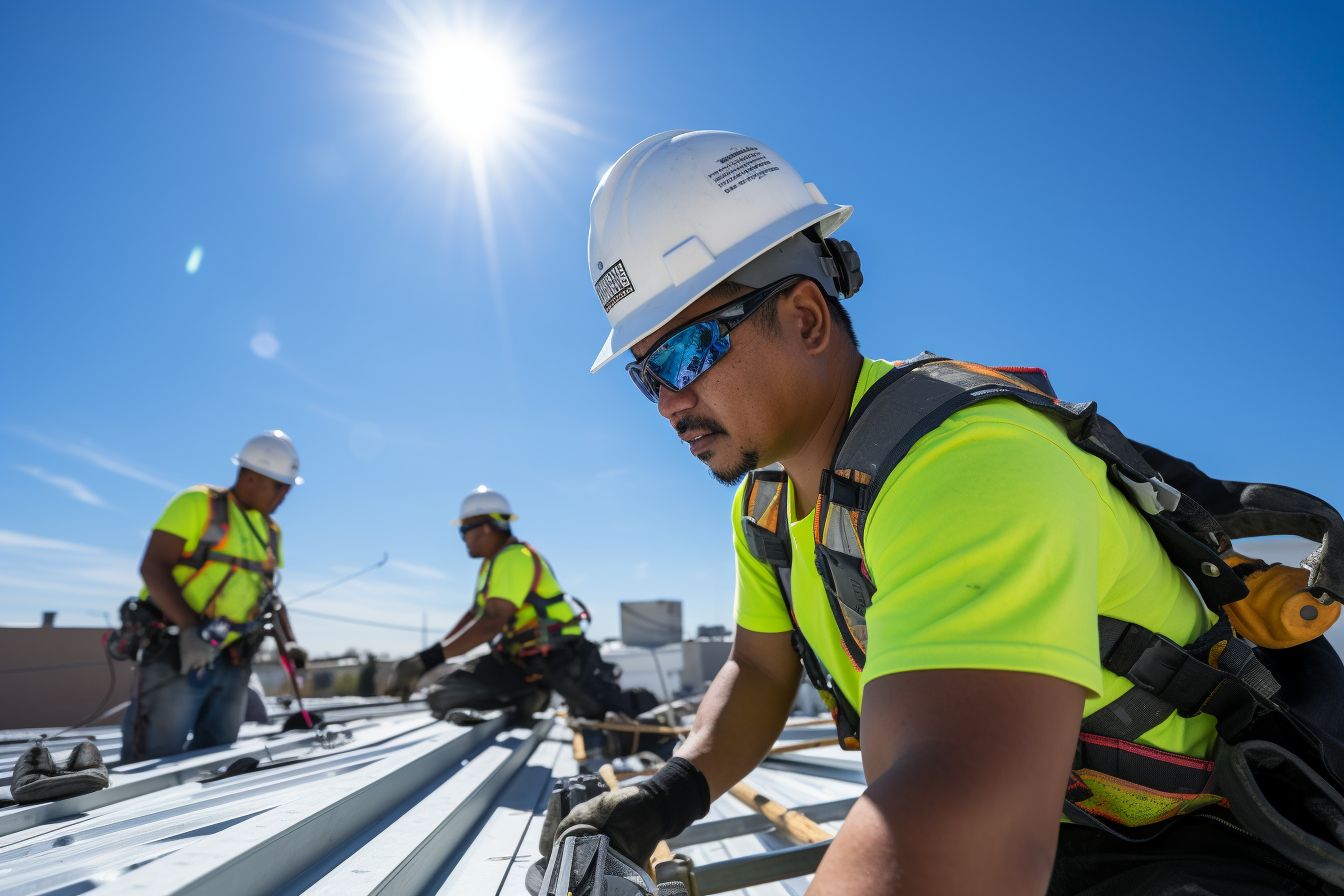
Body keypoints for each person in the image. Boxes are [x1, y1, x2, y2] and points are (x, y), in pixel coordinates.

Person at [545, 130, 1344, 894]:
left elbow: (960, 807)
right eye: (647, 375)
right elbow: (758, 669)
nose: (669, 402)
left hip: (1218, 835)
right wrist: (670, 793)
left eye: (688, 352)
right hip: (1068, 830)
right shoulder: (767, 506)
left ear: (806, 318)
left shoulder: (966, 463)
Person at [121, 430, 304, 762]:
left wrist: (288, 641)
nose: (285, 496)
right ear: (252, 477)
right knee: (153, 758)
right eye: (280, 486)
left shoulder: (270, 532)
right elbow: (154, 567)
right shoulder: (197, 505)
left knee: (216, 759)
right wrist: (191, 629)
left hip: (232, 661)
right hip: (178, 652)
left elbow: (268, 595)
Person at [388, 486, 632, 724]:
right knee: (444, 695)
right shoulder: (490, 565)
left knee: (610, 716)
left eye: (464, 531)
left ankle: (534, 693)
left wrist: (425, 661)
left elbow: (490, 622)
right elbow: (475, 615)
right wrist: (425, 660)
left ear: (484, 529)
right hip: (518, 660)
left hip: (560, 655)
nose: (463, 539)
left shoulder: (514, 559)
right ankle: (529, 694)